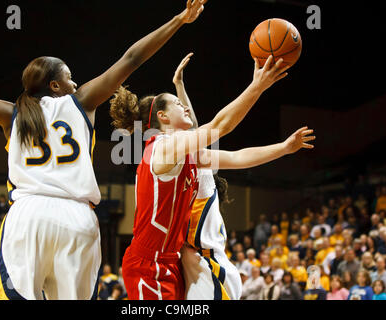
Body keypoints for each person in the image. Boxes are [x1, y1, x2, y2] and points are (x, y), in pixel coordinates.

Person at [0, 0, 209, 300]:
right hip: (77, 219)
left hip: (29, 217)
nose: (76, 81)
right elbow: (132, 58)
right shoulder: (81, 102)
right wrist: (178, 20)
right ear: (55, 85)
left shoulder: (12, 113)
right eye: (69, 76)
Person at [112, 50, 295, 299]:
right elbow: (220, 127)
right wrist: (257, 86)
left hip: (171, 260)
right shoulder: (163, 147)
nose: (185, 107)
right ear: (163, 117)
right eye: (178, 104)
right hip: (148, 264)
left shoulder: (186, 153)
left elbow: (237, 157)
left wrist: (284, 148)